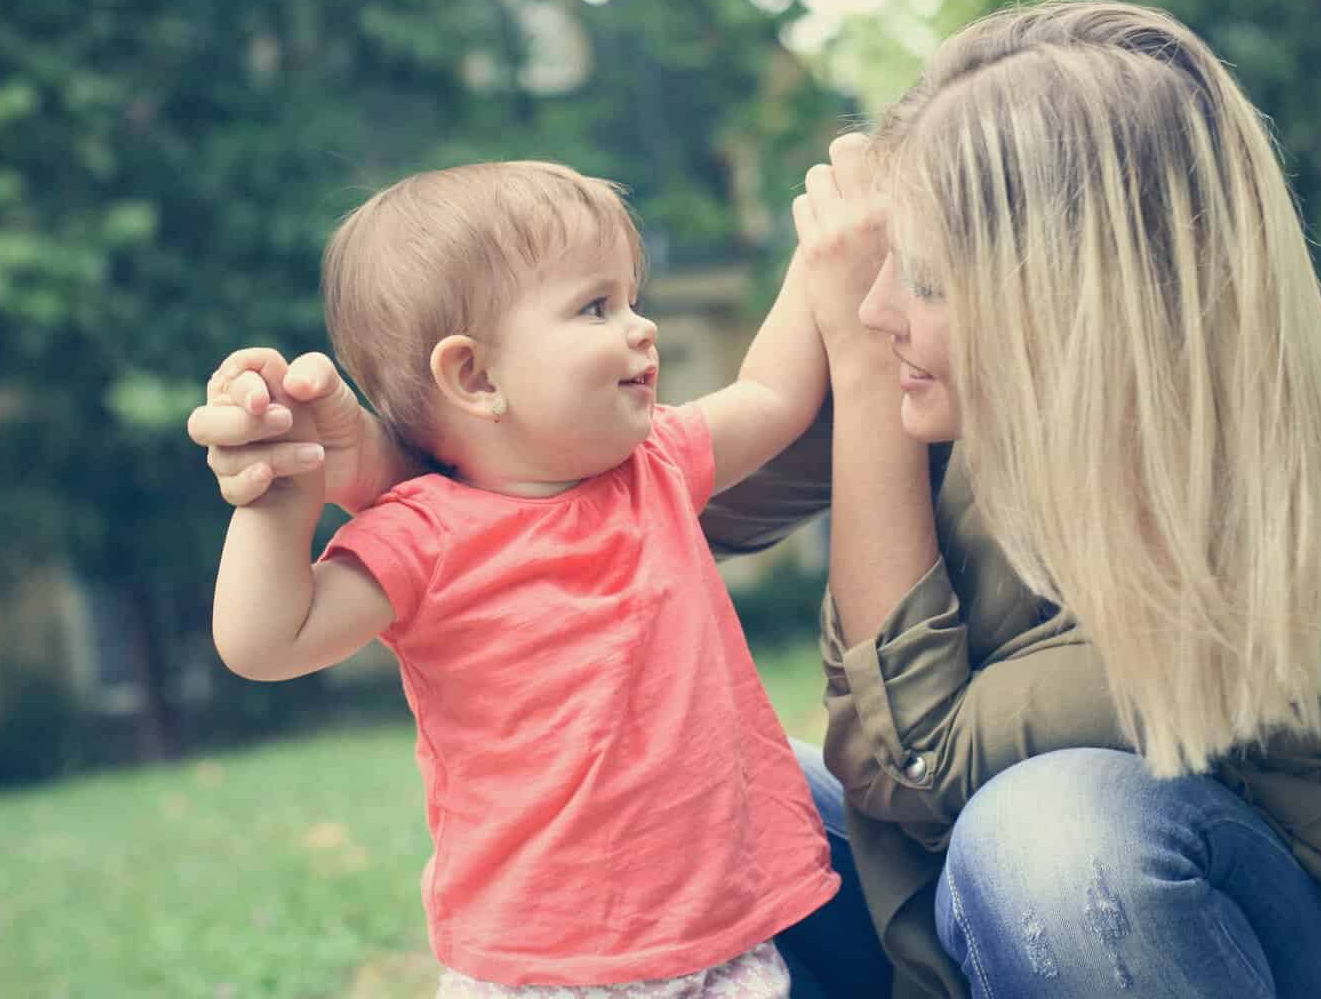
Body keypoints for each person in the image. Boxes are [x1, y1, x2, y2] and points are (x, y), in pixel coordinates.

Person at [192, 0, 1321, 998]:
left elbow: (922, 767)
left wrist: (860, 380)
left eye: (921, 278)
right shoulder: (948, 384)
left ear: (1064, 301)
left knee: (1053, 838)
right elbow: (577, 511)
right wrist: (365, 463)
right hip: (953, 929)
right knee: (718, 786)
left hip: (1234, 950)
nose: (866, 314)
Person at [202, 160, 846, 998]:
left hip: (720, 945)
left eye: (632, 298)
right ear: (475, 377)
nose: (642, 328)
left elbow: (773, 394)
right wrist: (281, 499)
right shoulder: (427, 532)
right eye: (595, 307)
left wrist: (823, 244)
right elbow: (264, 642)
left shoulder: (654, 468)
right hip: (544, 969)